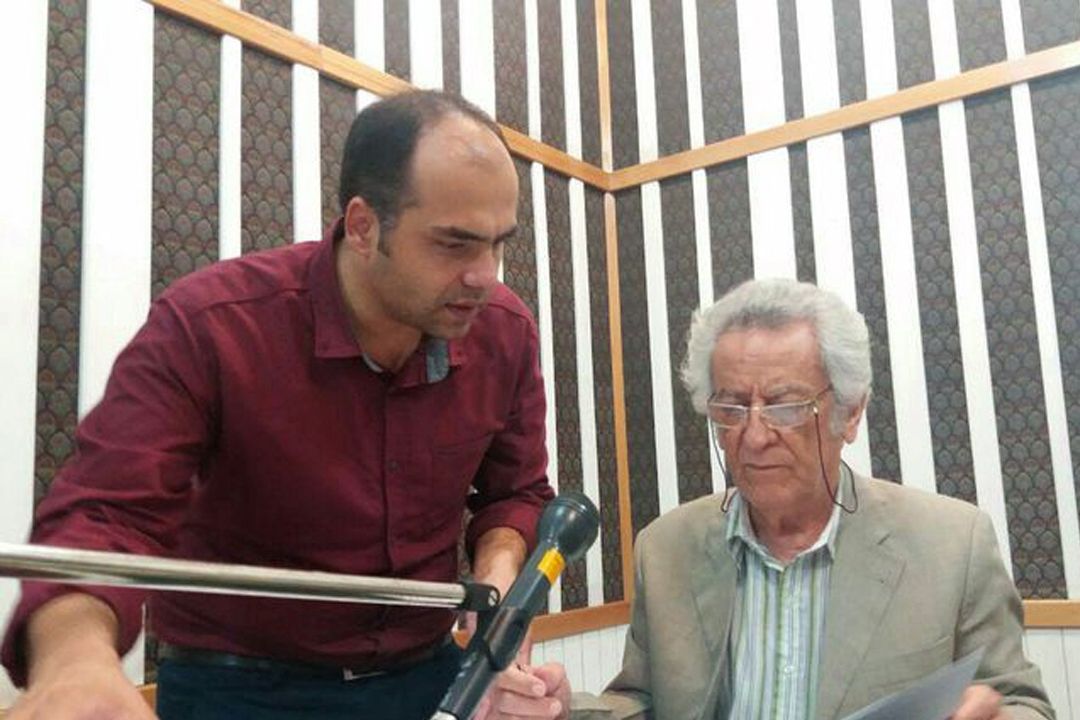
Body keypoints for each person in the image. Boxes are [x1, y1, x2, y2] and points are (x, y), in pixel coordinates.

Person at [1, 90, 555, 719]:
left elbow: (516, 492)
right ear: (363, 226)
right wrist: (74, 663)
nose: (485, 275)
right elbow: (105, 514)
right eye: (454, 245)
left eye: (497, 244)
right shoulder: (211, 324)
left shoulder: (504, 332)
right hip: (237, 686)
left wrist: (500, 575)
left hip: (426, 673)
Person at [479, 278, 1054, 720]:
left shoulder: (952, 544)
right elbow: (644, 703)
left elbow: (1023, 702)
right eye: (731, 407)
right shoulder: (666, 547)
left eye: (785, 406)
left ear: (851, 412)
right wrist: (560, 710)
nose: (754, 436)